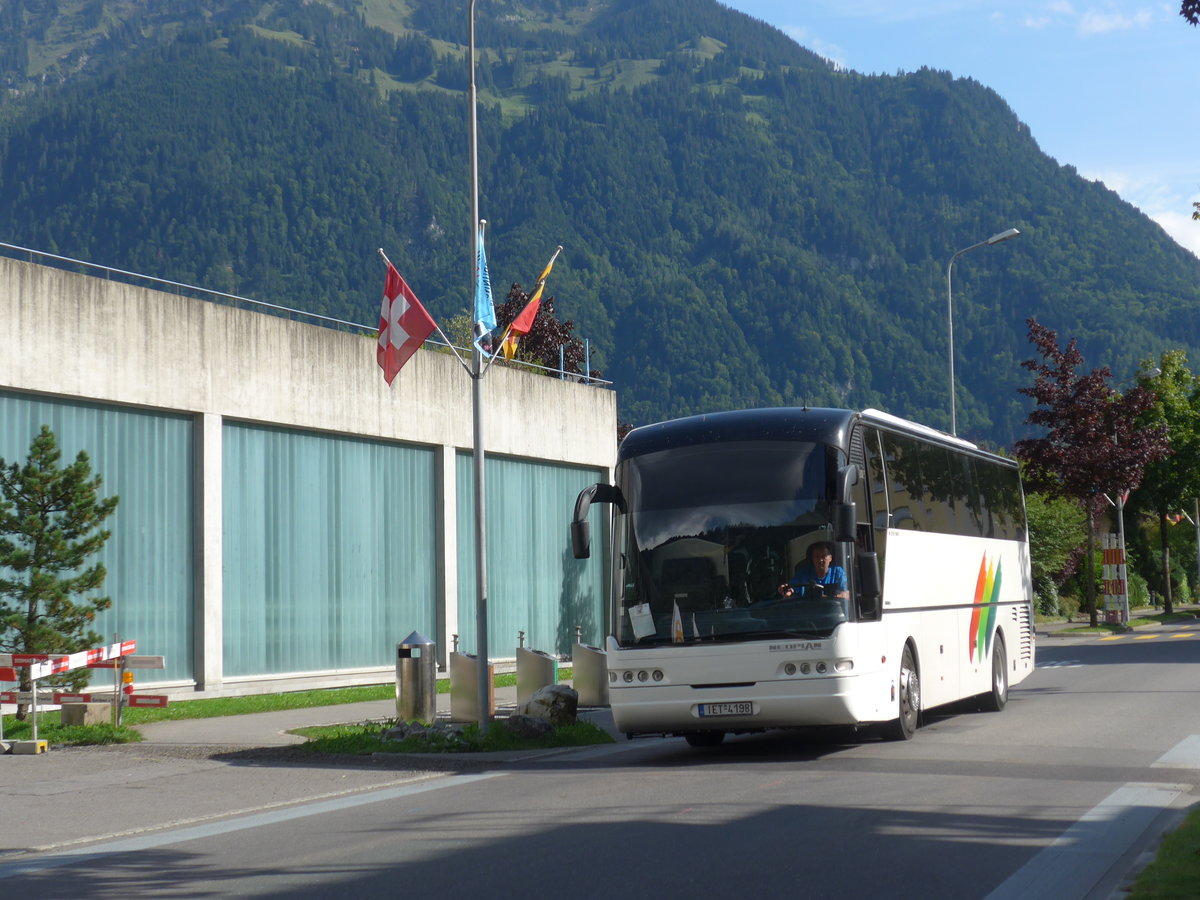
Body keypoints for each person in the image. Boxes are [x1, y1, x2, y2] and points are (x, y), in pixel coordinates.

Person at [778, 540, 848, 599]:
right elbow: (791, 588)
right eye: (817, 557)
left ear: (830, 558)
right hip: (809, 612)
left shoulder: (838, 572)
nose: (820, 560)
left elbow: (847, 594)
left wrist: (830, 597)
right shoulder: (803, 574)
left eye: (823, 556)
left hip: (832, 612)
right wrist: (786, 591)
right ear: (812, 559)